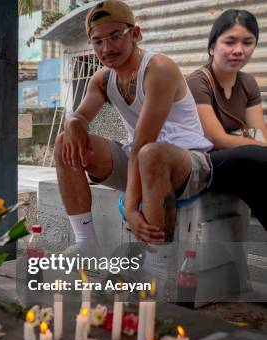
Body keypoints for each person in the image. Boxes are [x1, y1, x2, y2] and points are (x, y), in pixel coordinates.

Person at [54, 0, 213, 286]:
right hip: (141, 160)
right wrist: (75, 124)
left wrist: (130, 207)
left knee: (150, 154)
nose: (106, 48)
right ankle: (87, 246)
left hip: (188, 161)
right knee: (64, 141)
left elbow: (143, 140)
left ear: (135, 33)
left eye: (115, 36)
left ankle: (158, 263)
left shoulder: (158, 68)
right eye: (98, 41)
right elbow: (80, 115)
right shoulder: (103, 79)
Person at [187, 9, 267, 229]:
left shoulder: (248, 83)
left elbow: (258, 133)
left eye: (248, 42)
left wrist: (259, 144)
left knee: (257, 186)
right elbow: (217, 139)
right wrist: (258, 145)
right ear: (212, 47)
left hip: (236, 165)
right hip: (201, 165)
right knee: (255, 158)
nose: (239, 50)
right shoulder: (198, 82)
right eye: (230, 42)